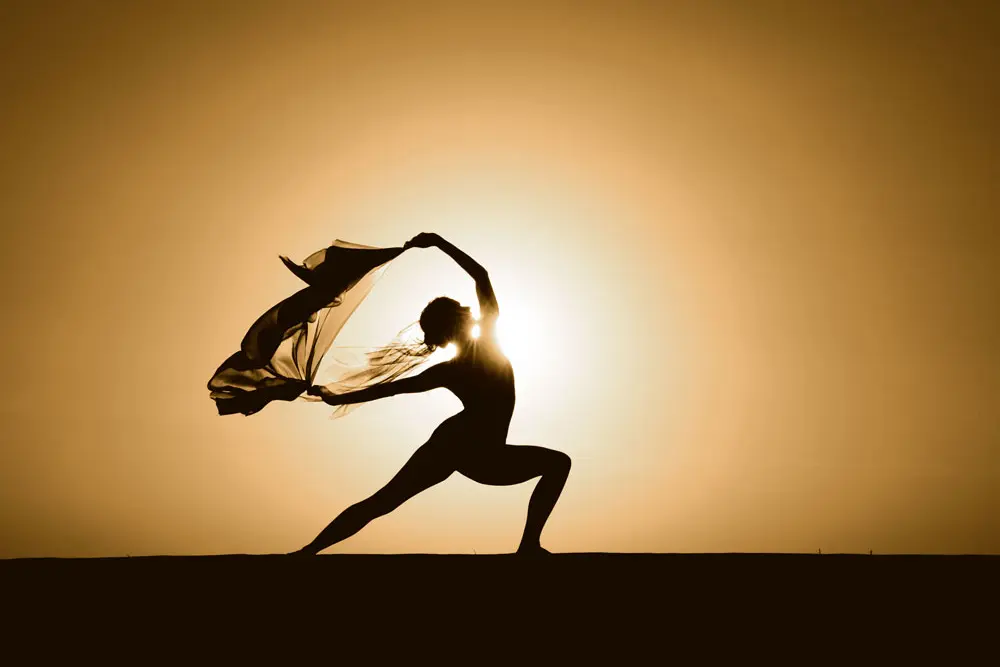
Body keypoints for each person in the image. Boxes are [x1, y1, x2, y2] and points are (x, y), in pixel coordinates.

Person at [291, 232, 571, 555]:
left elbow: (392, 388)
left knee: (384, 500)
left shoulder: (462, 361)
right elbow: (394, 388)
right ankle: (308, 552)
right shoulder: (467, 356)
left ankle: (529, 546)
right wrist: (437, 242)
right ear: (458, 319)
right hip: (461, 446)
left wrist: (339, 397)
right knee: (385, 500)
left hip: (480, 451)